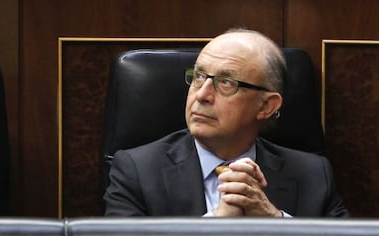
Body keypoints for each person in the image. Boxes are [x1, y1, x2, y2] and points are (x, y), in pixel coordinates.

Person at [104, 28, 349, 217]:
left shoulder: (313, 175)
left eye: (226, 83)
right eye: (199, 76)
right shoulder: (136, 171)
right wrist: (215, 225)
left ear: (266, 106)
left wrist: (274, 221)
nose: (201, 95)